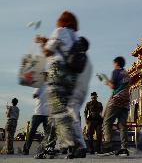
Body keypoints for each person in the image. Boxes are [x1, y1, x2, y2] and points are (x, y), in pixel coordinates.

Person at [34, 11, 80, 159]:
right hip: (71, 76)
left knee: (55, 112)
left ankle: (65, 145)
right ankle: (57, 145)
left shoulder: (60, 31)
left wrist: (42, 43)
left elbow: (48, 51)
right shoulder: (74, 36)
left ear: (61, 21)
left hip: (57, 71)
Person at [67, 37, 93, 158]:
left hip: (73, 93)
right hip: (78, 94)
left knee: (72, 121)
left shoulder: (79, 57)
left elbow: (71, 68)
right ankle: (76, 147)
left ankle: (80, 147)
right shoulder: (87, 61)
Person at [102, 56, 131, 156]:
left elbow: (113, 86)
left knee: (107, 121)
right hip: (126, 101)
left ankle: (108, 146)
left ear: (117, 63)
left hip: (117, 99)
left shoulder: (116, 71)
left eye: (113, 63)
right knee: (122, 125)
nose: (113, 65)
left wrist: (106, 81)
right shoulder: (126, 73)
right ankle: (124, 148)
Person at [23, 86, 49, 155]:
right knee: (32, 132)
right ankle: (26, 149)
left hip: (47, 114)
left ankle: (47, 149)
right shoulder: (40, 85)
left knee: (48, 133)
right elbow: (34, 95)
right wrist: (37, 95)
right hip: (38, 113)